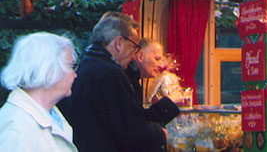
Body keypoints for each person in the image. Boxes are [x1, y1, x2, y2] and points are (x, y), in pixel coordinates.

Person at [62, 13, 168, 152]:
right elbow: (130, 130)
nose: (134, 54)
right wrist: (159, 134)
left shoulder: (86, 64)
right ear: (119, 43)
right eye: (133, 46)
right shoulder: (110, 73)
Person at [0, 32, 78, 151]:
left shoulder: (50, 113)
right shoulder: (16, 129)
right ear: (49, 70)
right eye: (71, 66)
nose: (75, 75)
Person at [126, 38, 181, 126]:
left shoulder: (134, 80)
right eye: (157, 59)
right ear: (141, 56)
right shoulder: (128, 81)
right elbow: (139, 123)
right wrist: (169, 101)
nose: (161, 65)